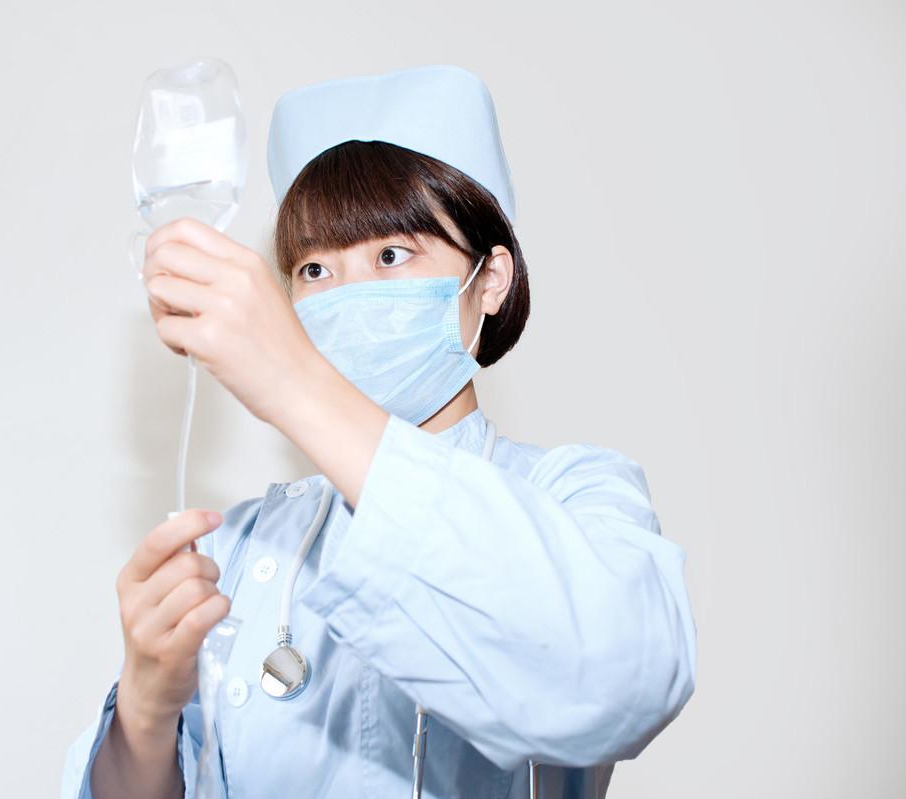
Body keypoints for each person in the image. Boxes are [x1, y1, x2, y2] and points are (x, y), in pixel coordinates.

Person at [61, 64, 697, 799]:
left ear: (490, 279)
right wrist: (145, 712)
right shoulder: (236, 548)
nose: (348, 296)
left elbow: (616, 680)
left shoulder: (574, 496)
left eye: (391, 255)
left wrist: (296, 384)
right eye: (314, 270)